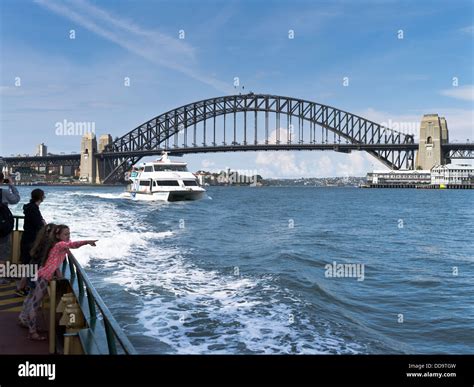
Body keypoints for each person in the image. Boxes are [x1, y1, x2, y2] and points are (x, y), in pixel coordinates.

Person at [18, 224, 97, 340]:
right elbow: (72, 245)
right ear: (58, 235)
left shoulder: (57, 244)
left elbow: (57, 262)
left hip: (42, 275)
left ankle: (31, 327)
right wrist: (87, 242)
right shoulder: (60, 244)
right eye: (65, 234)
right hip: (43, 277)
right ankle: (32, 332)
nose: (68, 236)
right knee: (34, 305)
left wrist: (59, 276)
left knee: (34, 302)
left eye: (69, 234)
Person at [17, 189, 46, 295]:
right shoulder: (33, 209)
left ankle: (23, 287)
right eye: (43, 196)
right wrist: (44, 224)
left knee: (29, 264)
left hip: (27, 239)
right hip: (31, 241)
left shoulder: (31, 207)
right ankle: (21, 287)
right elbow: (39, 224)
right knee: (31, 264)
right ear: (41, 197)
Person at [0, 172, 20, 285]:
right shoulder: (4, 192)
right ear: (2, 180)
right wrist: (11, 184)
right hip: (2, 228)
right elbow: (16, 199)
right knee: (2, 254)